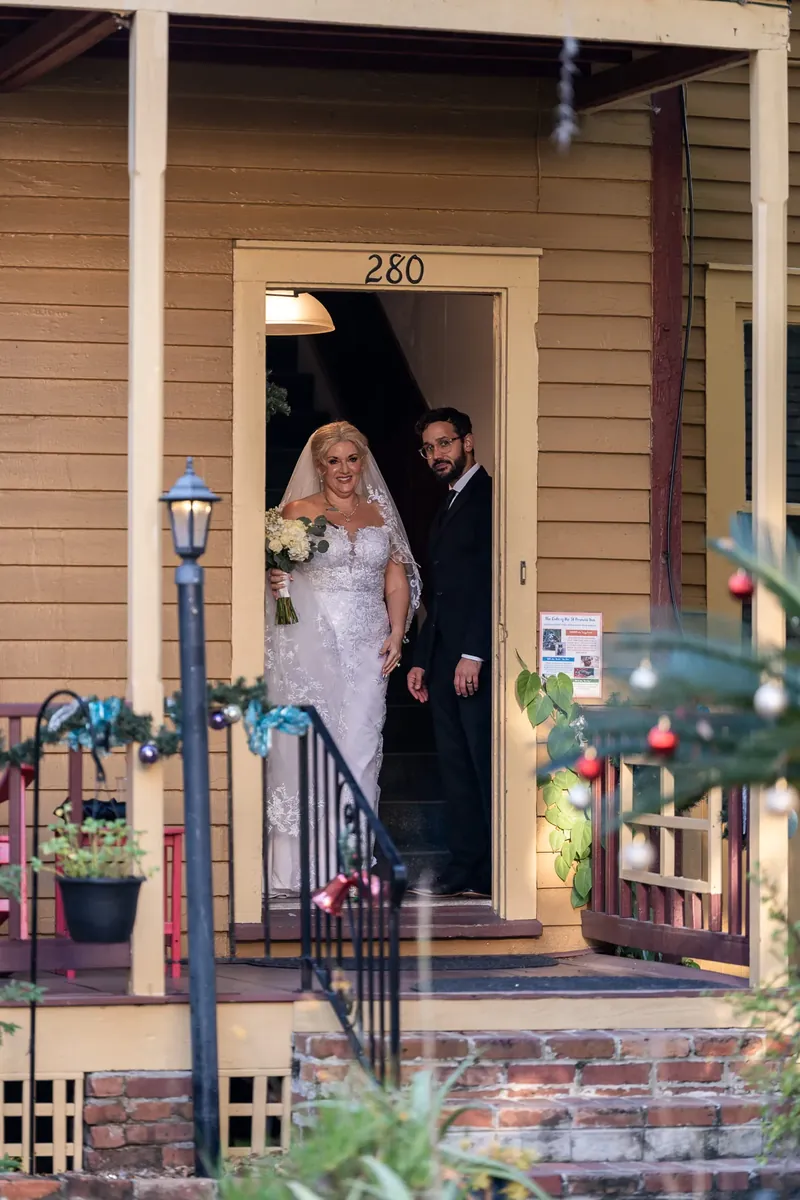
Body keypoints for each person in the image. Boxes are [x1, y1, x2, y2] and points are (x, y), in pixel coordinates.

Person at [265, 421, 421, 894]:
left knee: (360, 749)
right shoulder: (297, 510)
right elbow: (282, 575)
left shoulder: (381, 516)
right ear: (319, 466)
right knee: (314, 746)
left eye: (352, 459)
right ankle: (301, 867)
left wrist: (398, 631)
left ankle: (347, 864)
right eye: (333, 461)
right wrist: (279, 582)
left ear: (363, 462)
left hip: (370, 649)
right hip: (313, 646)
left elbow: (396, 580)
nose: (344, 469)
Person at [407, 408, 492, 897]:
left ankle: (486, 873)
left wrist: (474, 653)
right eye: (429, 448)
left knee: (480, 767)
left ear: (468, 442)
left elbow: (489, 582)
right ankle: (466, 871)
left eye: (444, 444)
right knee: (455, 770)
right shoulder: (448, 503)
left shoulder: (487, 497)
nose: (437, 455)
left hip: (471, 661)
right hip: (442, 660)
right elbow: (439, 593)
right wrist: (422, 657)